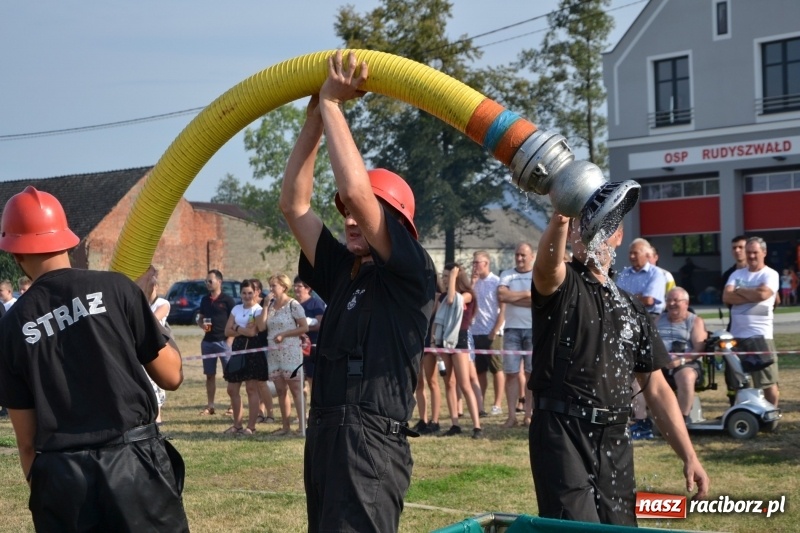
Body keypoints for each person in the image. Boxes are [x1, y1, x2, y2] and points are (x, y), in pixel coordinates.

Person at [279, 50, 435, 532]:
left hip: (370, 443)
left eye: (357, 211)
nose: (348, 217)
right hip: (326, 435)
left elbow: (363, 196)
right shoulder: (345, 270)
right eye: (342, 209)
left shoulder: (411, 272)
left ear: (397, 224)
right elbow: (293, 204)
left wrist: (335, 106)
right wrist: (313, 118)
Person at [0, 186, 188, 531]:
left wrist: (48, 491)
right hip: (135, 464)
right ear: (69, 241)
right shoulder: (118, 289)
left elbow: (26, 442)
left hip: (62, 475)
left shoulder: (11, 325)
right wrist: (148, 314)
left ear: (15, 254)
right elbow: (171, 376)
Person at [529, 212, 709, 525]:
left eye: (604, 228)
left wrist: (689, 455)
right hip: (562, 431)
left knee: (622, 528)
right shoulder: (562, 283)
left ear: (619, 237)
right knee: (576, 530)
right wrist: (560, 218)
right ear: (573, 235)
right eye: (584, 227)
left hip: (614, 437)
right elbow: (546, 268)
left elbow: (656, 387)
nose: (594, 235)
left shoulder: (630, 306)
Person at [722, 236, 780, 406]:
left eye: (755, 252)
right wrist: (752, 294)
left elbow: (763, 295)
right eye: (749, 253)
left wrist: (739, 291)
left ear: (764, 252)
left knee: (767, 380)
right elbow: (727, 297)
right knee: (740, 380)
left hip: (761, 336)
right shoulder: (736, 273)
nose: (752, 256)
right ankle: (746, 411)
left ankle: (771, 414)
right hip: (737, 336)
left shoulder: (771, 274)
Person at [432, 263, 483, 439]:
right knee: (449, 383)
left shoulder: (467, 295)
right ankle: (455, 424)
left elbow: (453, 300)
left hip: (460, 339)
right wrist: (434, 339)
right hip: (444, 339)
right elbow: (437, 319)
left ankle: (477, 425)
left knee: (464, 384)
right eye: (444, 276)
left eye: (448, 276)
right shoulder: (442, 297)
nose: (445, 279)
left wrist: (454, 278)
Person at [256, 273, 308, 435]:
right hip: (274, 354)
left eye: (274, 286)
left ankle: (301, 427)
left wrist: (285, 334)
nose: (271, 289)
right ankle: (285, 427)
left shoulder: (293, 305)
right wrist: (264, 306)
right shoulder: (270, 306)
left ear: (283, 287)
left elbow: (304, 327)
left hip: (290, 352)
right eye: (270, 286)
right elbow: (262, 327)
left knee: (295, 389)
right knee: (280, 390)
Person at [221, 279, 269, 435]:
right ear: (240, 294)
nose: (247, 296)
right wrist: (238, 328)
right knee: (232, 389)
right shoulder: (236, 309)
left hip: (253, 350)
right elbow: (227, 331)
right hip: (237, 350)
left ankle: (251, 427)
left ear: (255, 293)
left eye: (250, 293)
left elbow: (252, 332)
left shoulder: (258, 310)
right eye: (244, 293)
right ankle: (237, 425)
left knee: (251, 389)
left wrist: (235, 327)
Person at [498, 242, 535, 428]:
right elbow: (502, 296)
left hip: (533, 329)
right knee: (511, 374)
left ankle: (528, 415)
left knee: (530, 374)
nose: (519, 258)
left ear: (532, 256)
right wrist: (527, 294)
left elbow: (539, 299)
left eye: (523, 255)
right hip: (511, 329)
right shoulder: (507, 274)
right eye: (517, 255)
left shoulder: (538, 274)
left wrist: (517, 296)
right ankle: (511, 416)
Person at [657, 287, 707, 421]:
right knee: (640, 375)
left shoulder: (695, 321)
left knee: (686, 376)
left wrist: (681, 361)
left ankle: (681, 419)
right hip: (660, 362)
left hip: (687, 362)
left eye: (676, 300)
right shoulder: (657, 320)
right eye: (668, 300)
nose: (671, 303)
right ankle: (641, 420)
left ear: (686, 303)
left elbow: (698, 349)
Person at [471, 251, 506, 416]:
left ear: (486, 263)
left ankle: (497, 404)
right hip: (476, 331)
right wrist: (471, 283)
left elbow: (502, 309)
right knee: (480, 370)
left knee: (496, 368)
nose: (474, 266)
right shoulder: (474, 282)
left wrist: (495, 330)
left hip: (492, 331)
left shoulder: (496, 282)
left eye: (477, 262)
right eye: (473, 263)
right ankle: (480, 404)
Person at [197, 269, 236, 416]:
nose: (207, 283)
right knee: (209, 375)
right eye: (206, 281)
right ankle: (210, 405)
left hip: (224, 342)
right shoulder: (204, 300)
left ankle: (232, 406)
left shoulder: (227, 300)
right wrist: (201, 324)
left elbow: (235, 320)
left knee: (230, 375)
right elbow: (200, 317)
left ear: (219, 282)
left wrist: (230, 340)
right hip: (208, 342)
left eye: (210, 281)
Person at [140, 267, 169, 423]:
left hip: (158, 350)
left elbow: (152, 321)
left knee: (156, 387)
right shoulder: (142, 303)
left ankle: (157, 421)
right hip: (143, 349)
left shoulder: (163, 303)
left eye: (152, 282)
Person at [616, 237, 667, 315]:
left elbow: (648, 301)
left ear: (646, 255)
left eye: (635, 253)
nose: (632, 256)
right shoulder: (625, 273)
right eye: (630, 253)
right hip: (628, 315)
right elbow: (616, 297)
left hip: (650, 316)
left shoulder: (656, 273)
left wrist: (627, 297)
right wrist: (638, 297)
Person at [293, 275, 326, 389]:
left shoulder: (315, 303)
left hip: (312, 346)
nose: (296, 288)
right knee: (299, 379)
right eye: (295, 286)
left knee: (313, 377)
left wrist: (301, 330)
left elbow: (320, 325)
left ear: (308, 288)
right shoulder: (293, 305)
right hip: (296, 347)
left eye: (299, 286)